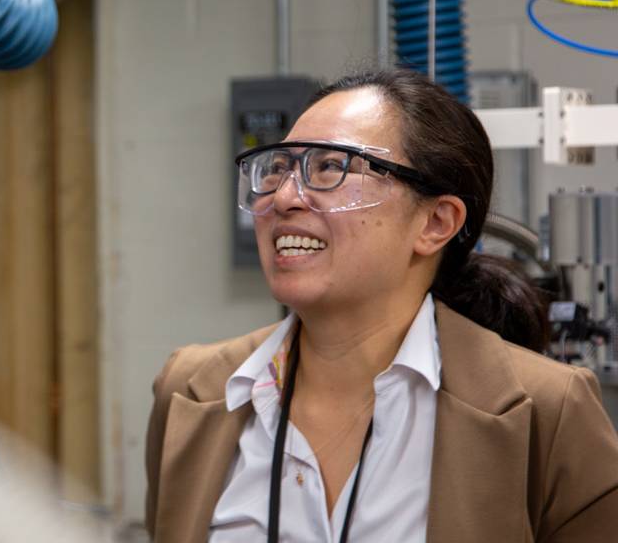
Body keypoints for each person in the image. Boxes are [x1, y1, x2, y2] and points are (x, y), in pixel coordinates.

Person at [145, 68, 618, 542]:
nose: (284, 197)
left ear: (436, 222)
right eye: (276, 169)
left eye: (331, 166)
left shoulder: (549, 410)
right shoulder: (193, 390)